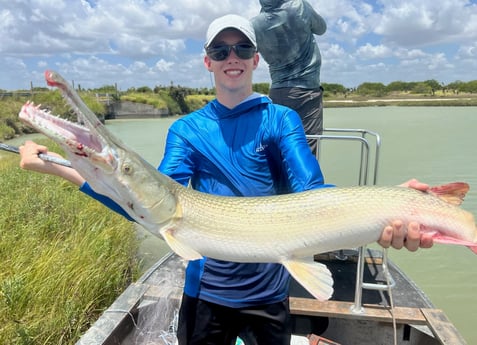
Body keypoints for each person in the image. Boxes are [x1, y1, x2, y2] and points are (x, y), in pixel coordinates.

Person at [19, 14, 433, 345]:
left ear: (256, 59)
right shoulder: (186, 130)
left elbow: (312, 194)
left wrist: (390, 204)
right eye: (220, 49)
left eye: (241, 48)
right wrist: (55, 166)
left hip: (269, 293)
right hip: (206, 297)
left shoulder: (280, 119)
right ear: (208, 61)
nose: (231, 56)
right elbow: (151, 203)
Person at [252, 0, 327, 155]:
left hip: (277, 92)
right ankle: (306, 180)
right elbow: (321, 28)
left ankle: (281, 179)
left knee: (280, 147)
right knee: (307, 147)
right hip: (307, 93)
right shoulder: (299, 6)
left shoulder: (254, 24)